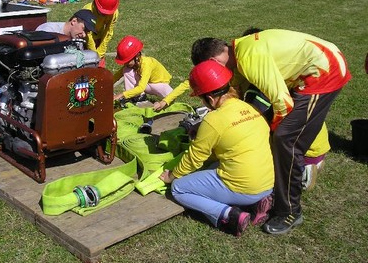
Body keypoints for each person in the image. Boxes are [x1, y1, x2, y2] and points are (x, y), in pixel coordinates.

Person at [190, 30, 351, 235]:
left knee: (286, 140)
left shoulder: (249, 58)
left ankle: (290, 212)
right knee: (276, 131)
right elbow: (236, 98)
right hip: (320, 63)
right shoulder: (238, 53)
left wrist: (261, 129)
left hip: (325, 72)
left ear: (214, 60)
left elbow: (282, 103)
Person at [159, 60, 274, 236]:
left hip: (244, 186)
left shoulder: (214, 120)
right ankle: (259, 201)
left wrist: (171, 176)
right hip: (267, 183)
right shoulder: (248, 107)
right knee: (213, 168)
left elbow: (194, 158)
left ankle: (229, 215)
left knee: (178, 188)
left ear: (210, 98)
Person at [113, 35, 173, 103]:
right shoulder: (132, 64)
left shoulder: (147, 64)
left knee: (170, 97)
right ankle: (136, 97)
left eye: (127, 61)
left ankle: (137, 95)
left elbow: (141, 88)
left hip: (160, 84)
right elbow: (117, 76)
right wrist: (106, 84)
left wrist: (121, 95)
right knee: (126, 70)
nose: (125, 64)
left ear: (136, 57)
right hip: (147, 84)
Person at [82, 0, 119, 68]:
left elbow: (108, 32)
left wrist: (101, 51)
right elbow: (87, 34)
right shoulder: (87, 11)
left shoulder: (114, 13)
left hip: (99, 38)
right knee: (86, 66)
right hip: (85, 39)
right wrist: (94, 53)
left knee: (100, 68)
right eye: (102, 12)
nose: (104, 15)